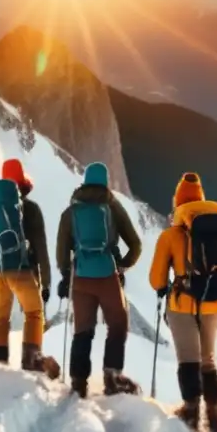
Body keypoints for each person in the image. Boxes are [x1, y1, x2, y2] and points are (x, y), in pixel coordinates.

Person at [149, 172, 217, 432]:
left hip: (182, 305)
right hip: (214, 304)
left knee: (188, 360)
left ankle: (191, 410)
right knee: (208, 360)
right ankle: (215, 415)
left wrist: (164, 287)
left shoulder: (171, 235)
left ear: (178, 203)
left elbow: (156, 278)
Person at [56, 162, 143, 398]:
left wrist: (66, 274)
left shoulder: (71, 211)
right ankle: (112, 376)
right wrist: (122, 266)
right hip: (107, 275)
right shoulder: (112, 207)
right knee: (117, 324)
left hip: (81, 277)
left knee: (83, 329)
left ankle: (78, 382)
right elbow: (135, 244)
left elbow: (61, 250)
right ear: (105, 181)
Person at [0, 158, 59, 377]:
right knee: (34, 312)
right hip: (21, 271)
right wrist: (46, 282)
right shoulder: (31, 209)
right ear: (23, 183)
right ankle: (31, 360)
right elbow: (41, 248)